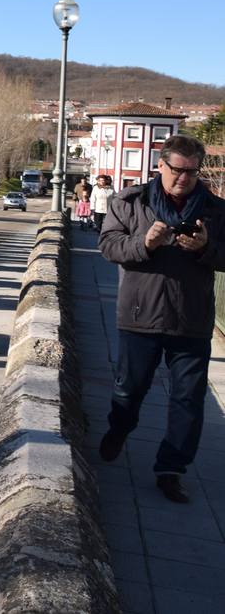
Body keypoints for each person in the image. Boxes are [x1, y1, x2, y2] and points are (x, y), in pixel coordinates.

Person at [96, 135, 225, 504]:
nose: (183, 178)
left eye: (191, 172)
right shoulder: (129, 202)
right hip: (140, 315)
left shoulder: (216, 210)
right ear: (160, 166)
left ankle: (171, 469)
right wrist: (145, 244)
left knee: (189, 400)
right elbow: (108, 247)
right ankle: (119, 429)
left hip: (192, 320)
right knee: (130, 390)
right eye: (176, 170)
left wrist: (206, 249)